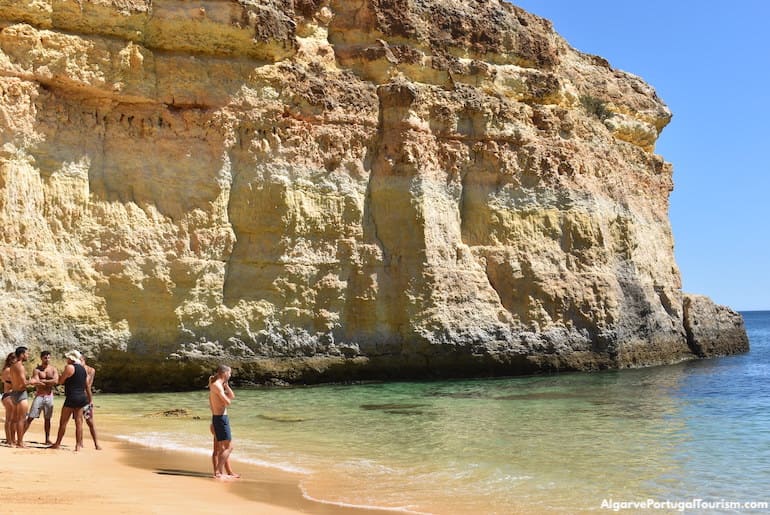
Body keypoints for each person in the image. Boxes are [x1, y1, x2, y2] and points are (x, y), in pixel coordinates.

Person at [49, 350, 91, 452]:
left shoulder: (69, 367)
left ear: (71, 359)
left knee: (63, 422)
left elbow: (60, 381)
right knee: (79, 422)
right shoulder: (83, 369)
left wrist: (58, 376)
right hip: (82, 398)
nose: (66, 360)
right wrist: (90, 399)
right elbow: (87, 386)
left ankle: (57, 443)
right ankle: (77, 446)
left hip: (72, 397)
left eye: (67, 358)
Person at [208, 364, 238, 479]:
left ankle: (226, 472)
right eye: (229, 373)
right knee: (229, 447)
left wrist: (227, 386)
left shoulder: (217, 385)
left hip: (217, 418)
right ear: (224, 373)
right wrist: (224, 392)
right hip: (220, 419)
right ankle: (218, 472)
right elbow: (228, 402)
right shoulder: (216, 386)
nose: (230, 375)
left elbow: (232, 396)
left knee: (221, 448)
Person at [24, 350, 59, 445]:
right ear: (41, 358)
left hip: (49, 396)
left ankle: (47, 439)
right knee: (31, 417)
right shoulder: (37, 370)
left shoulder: (53, 369)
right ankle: (20, 436)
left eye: (48, 357)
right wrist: (47, 381)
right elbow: (36, 382)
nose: (47, 359)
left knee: (47, 419)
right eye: (45, 358)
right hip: (39, 396)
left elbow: (56, 381)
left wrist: (43, 381)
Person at [8, 346, 38, 448]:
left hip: (13, 393)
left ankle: (12, 441)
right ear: (21, 355)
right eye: (26, 353)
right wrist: (33, 381)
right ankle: (20, 443)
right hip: (21, 394)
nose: (27, 355)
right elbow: (24, 383)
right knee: (21, 419)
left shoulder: (12, 366)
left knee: (14, 419)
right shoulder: (20, 366)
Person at [80, 353, 101, 450]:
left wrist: (90, 400)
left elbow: (89, 385)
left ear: (83, 359)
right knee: (79, 421)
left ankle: (96, 443)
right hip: (78, 396)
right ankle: (80, 443)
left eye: (80, 359)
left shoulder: (91, 370)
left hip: (86, 398)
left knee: (90, 421)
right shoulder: (76, 369)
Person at [2, 352, 17, 445]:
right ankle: (9, 439)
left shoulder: (10, 369)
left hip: (11, 395)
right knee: (10, 419)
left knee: (13, 419)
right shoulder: (8, 370)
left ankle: (12, 439)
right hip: (8, 395)